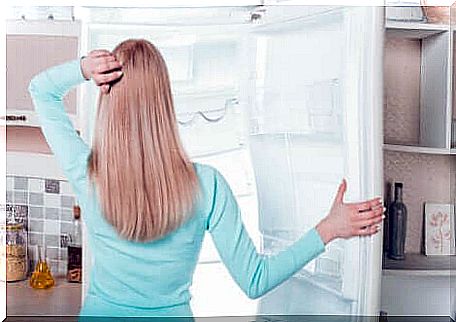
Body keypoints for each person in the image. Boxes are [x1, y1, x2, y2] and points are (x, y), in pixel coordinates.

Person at [28, 39, 384, 320]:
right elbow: (255, 280)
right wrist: (328, 228)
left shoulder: (86, 172)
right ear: (164, 103)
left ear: (108, 99)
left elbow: (41, 90)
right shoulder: (206, 185)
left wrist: (84, 68)